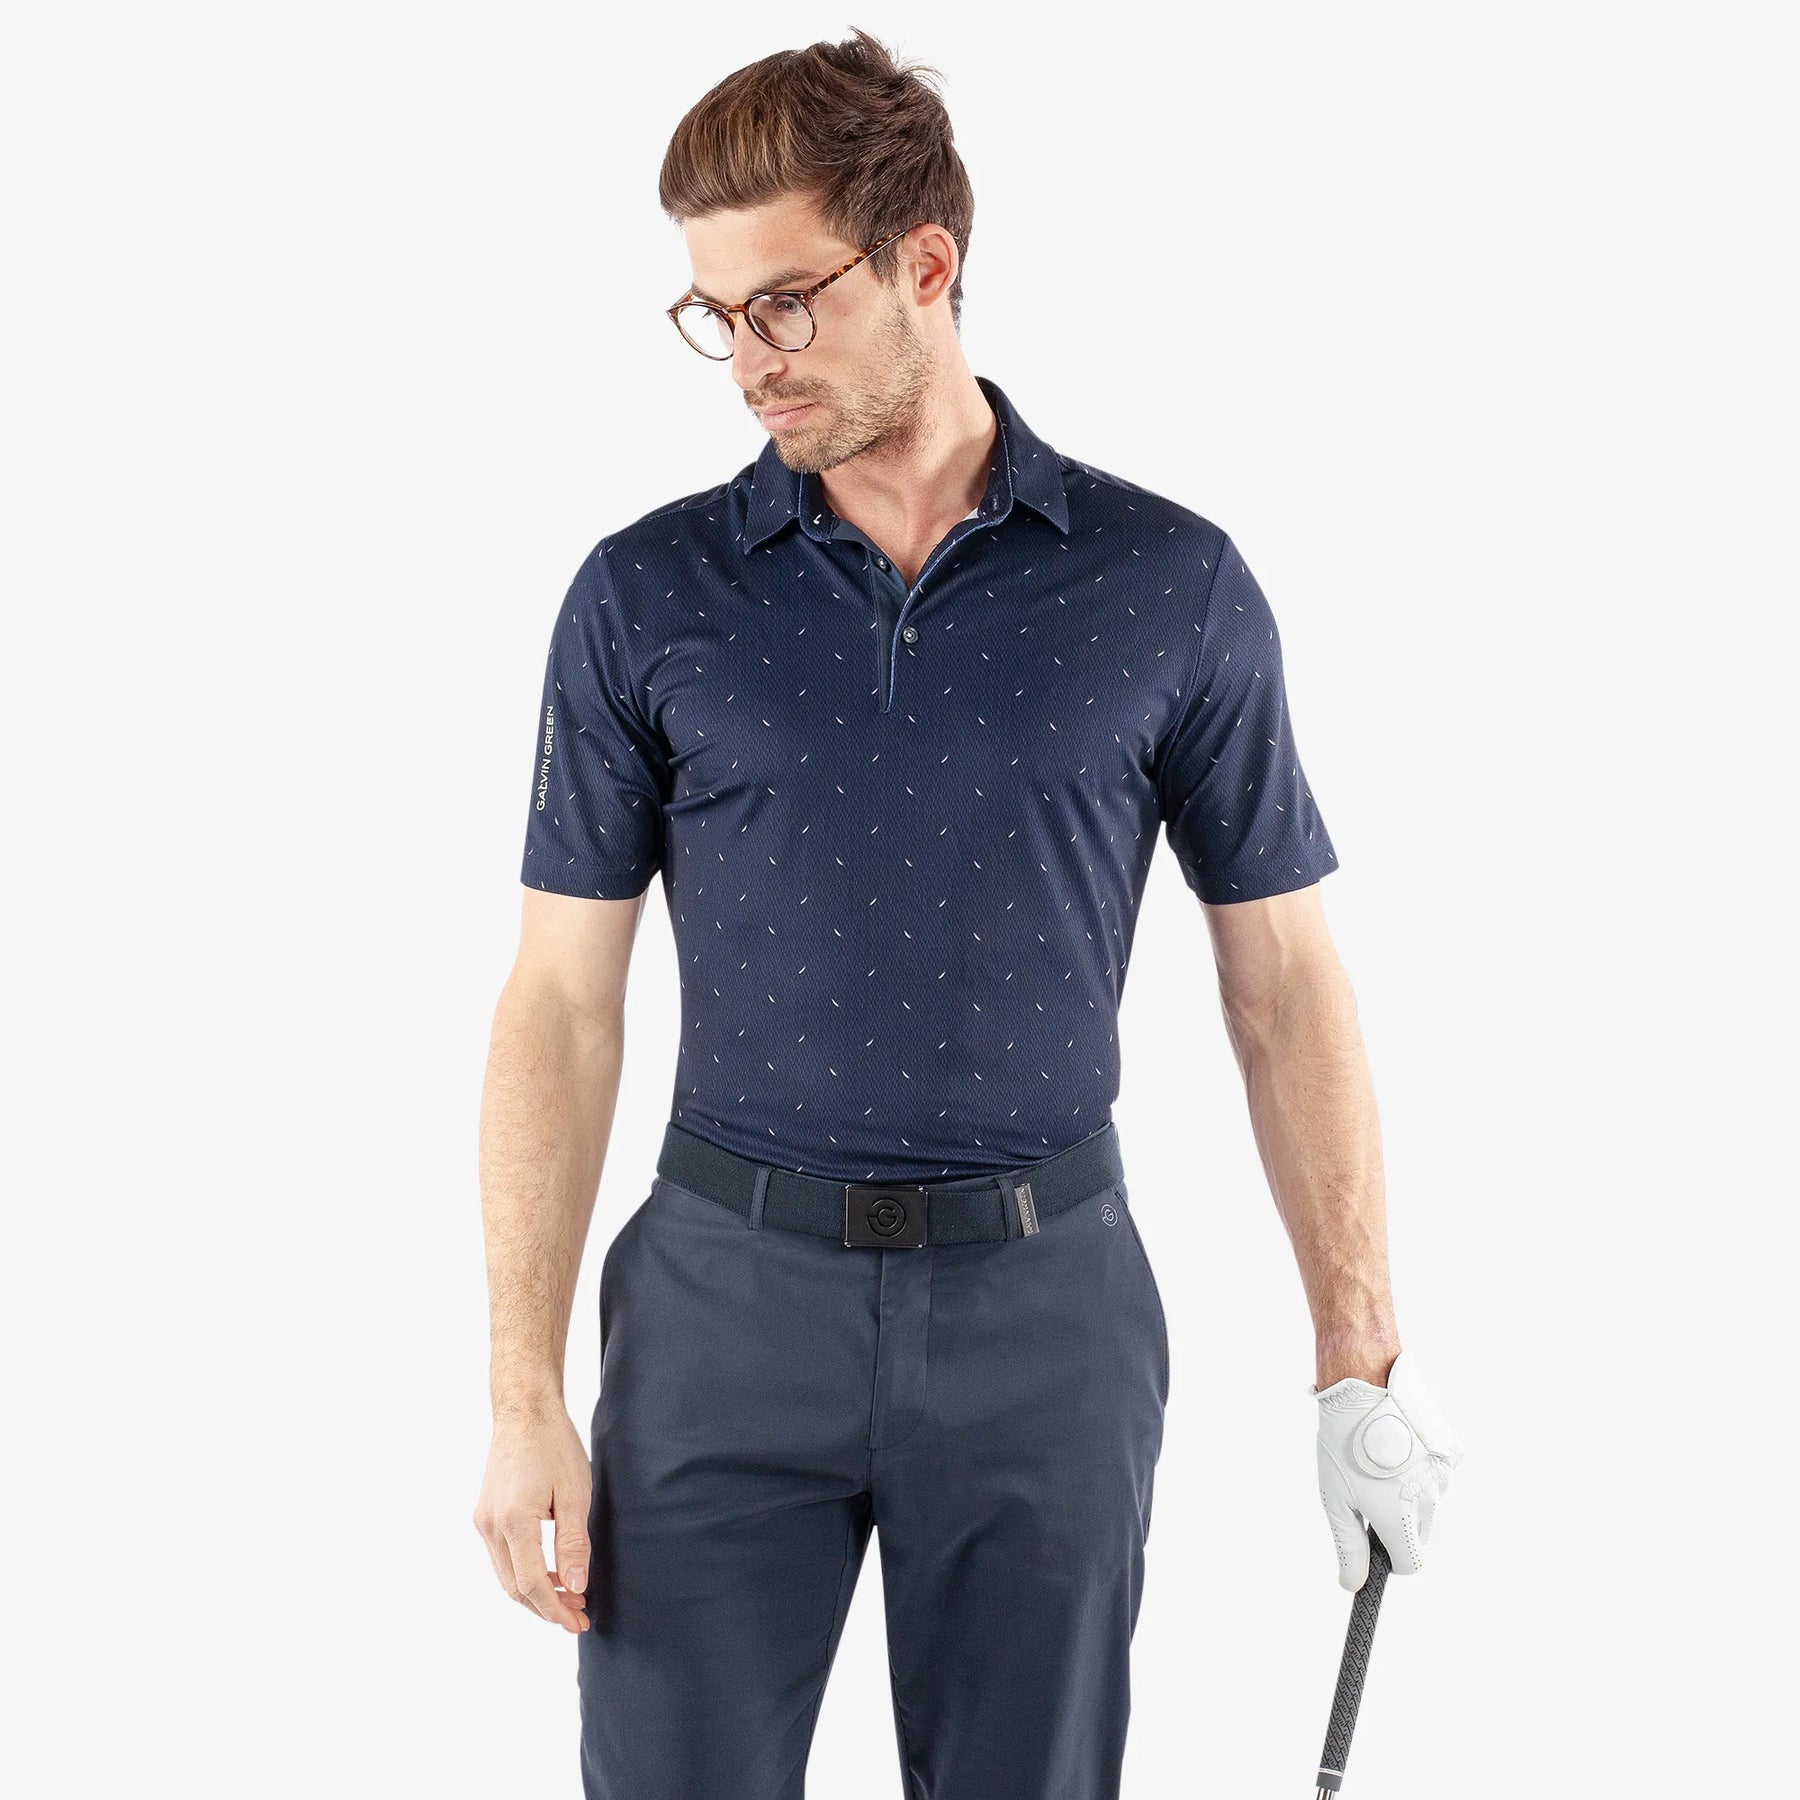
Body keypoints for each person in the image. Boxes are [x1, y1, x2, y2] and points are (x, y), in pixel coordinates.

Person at [473, 28, 1463, 1800]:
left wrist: (1359, 1361)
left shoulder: (1169, 585)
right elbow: (559, 1002)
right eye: (715, 315)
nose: (749, 361)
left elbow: (1285, 985)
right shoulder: (645, 595)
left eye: (788, 304)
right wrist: (522, 1391)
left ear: (927, 262)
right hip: (715, 1312)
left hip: (1048, 1316)